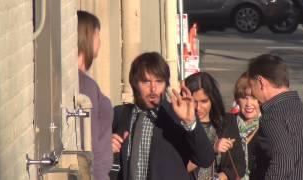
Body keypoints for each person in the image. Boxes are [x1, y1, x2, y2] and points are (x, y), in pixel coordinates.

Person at [111, 52, 214, 180]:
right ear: (134, 83)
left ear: (166, 84)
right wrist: (105, 149)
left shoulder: (176, 115)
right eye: (146, 82)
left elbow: (205, 159)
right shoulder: (120, 114)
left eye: (159, 81)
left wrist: (191, 122)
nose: (153, 89)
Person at [247, 54, 303, 179]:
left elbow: (283, 162)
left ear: (260, 82)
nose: (251, 92)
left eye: (251, 86)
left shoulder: (272, 118)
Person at [185, 72, 245, 180]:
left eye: (204, 101)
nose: (198, 107)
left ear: (213, 99)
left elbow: (239, 164)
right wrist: (212, 149)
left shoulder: (227, 122)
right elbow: (177, 166)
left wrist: (219, 178)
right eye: (193, 101)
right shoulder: (180, 124)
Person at [78, 10, 113, 180]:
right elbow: (90, 145)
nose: (101, 42)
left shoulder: (83, 82)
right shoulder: (86, 85)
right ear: (88, 37)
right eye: (98, 35)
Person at [233, 72, 261, 180]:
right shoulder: (228, 124)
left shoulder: (268, 127)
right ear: (237, 100)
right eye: (244, 97)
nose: (249, 104)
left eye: (254, 98)